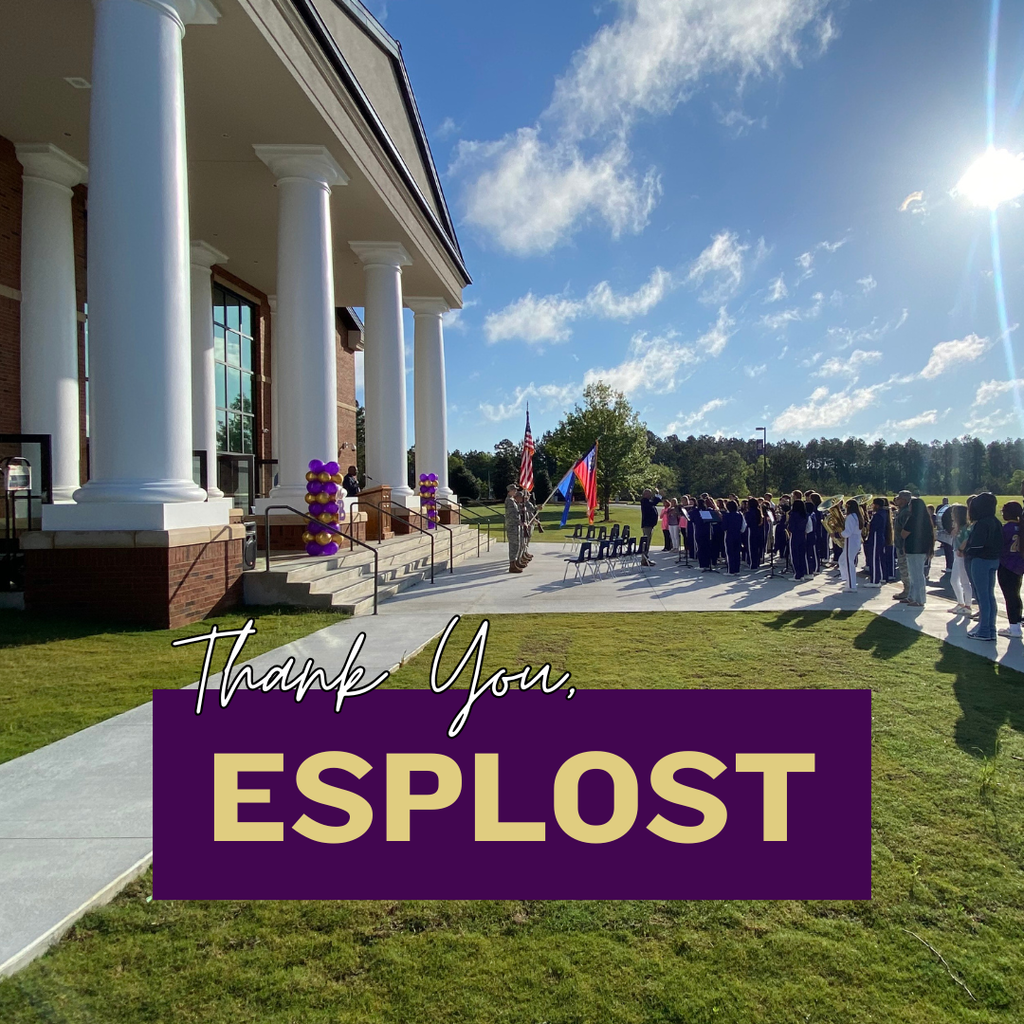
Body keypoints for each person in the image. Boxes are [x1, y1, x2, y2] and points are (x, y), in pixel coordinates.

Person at [965, 492, 1002, 640]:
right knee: (989, 596)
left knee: (982, 597)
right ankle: (991, 629)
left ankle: (984, 630)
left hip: (980, 560)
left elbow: (977, 545)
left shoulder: (981, 523)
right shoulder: (995, 521)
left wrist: (967, 550)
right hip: (993, 559)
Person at [901, 496, 933, 607]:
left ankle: (920, 599)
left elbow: (904, 533)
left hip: (915, 550)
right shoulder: (926, 519)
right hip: (919, 550)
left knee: (917, 575)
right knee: (914, 575)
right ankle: (912, 597)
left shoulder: (913, 519)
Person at [999, 501, 1024, 639]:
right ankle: (1017, 625)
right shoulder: (1021, 527)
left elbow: (1000, 546)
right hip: (1019, 565)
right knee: (1016, 595)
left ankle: (1014, 627)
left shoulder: (1006, 529)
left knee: (1010, 597)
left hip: (1006, 564)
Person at [949, 504, 973, 615]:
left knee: (965, 581)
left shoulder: (966, 527)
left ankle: (968, 605)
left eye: (953, 512)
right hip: (956, 554)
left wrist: (960, 549)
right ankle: (960, 603)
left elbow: (966, 539)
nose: (951, 515)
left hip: (961, 555)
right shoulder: (957, 527)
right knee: (954, 580)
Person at [864, 497, 892, 588]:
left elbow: (873, 527)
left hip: (876, 538)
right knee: (879, 558)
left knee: (874, 559)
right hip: (880, 538)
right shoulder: (883, 513)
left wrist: (868, 525)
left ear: (877, 505)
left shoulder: (878, 515)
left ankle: (875, 580)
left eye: (873, 504)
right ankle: (882, 577)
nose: (872, 506)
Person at [891, 490, 913, 601]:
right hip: (900, 545)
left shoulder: (905, 513)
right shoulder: (902, 511)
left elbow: (906, 530)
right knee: (904, 569)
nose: (896, 500)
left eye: (898, 498)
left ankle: (908, 592)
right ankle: (907, 590)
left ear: (903, 500)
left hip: (903, 546)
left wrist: (904, 546)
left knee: (905, 570)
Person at [839, 498, 864, 591]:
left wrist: (839, 534)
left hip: (851, 541)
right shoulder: (857, 515)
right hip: (855, 541)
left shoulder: (850, 517)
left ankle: (851, 585)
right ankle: (847, 579)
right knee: (842, 561)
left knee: (848, 563)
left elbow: (848, 532)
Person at [788, 491, 810, 581]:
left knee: (794, 555)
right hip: (802, 536)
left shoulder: (793, 514)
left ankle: (797, 574)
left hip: (795, 535)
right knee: (802, 555)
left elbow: (791, 527)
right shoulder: (805, 515)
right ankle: (802, 574)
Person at [504, 483, 525, 574]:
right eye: (514, 490)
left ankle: (515, 562)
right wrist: (519, 522)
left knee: (516, 545)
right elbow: (512, 515)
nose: (516, 491)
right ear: (510, 491)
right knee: (513, 546)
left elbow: (516, 512)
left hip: (515, 526)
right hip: (512, 527)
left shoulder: (512, 500)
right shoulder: (509, 501)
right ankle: (512, 565)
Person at [722, 499, 746, 575]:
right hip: (738, 535)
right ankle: (737, 570)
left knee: (729, 553)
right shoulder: (740, 514)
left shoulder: (726, 516)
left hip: (729, 535)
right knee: (737, 553)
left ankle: (731, 570)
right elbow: (744, 526)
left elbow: (724, 527)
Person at [639, 488, 658, 566]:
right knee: (646, 542)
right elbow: (654, 503)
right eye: (649, 493)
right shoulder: (644, 501)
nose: (650, 495)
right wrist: (658, 495)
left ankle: (646, 558)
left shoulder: (648, 501)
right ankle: (644, 560)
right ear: (645, 494)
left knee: (647, 542)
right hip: (647, 525)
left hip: (650, 525)